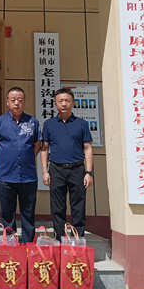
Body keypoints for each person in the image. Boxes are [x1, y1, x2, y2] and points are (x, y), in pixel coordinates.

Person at [0, 86, 41, 243]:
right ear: (7, 102)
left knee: (28, 213)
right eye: (13, 100)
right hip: (5, 176)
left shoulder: (33, 122)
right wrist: (2, 163)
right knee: (8, 213)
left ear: (24, 102)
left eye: (20, 100)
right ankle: (11, 244)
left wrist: (26, 159)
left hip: (28, 176)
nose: (16, 103)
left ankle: (29, 244)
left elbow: (37, 145)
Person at [41, 88, 93, 240]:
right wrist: (45, 171)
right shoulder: (49, 124)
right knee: (57, 208)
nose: (64, 104)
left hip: (77, 169)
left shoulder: (81, 124)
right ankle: (59, 239)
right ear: (55, 104)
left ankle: (77, 240)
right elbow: (44, 148)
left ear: (73, 103)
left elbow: (88, 148)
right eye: (60, 101)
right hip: (56, 169)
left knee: (78, 207)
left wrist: (88, 172)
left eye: (67, 101)